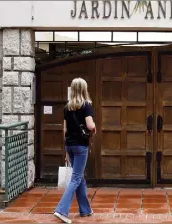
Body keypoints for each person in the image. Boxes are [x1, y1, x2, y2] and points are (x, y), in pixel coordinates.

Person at [54, 78, 96, 224]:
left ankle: (85, 210)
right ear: (84, 89)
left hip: (70, 145)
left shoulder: (67, 107)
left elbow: (64, 129)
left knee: (80, 177)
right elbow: (90, 126)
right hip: (81, 146)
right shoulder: (86, 105)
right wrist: (94, 128)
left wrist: (66, 149)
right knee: (76, 178)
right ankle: (61, 210)